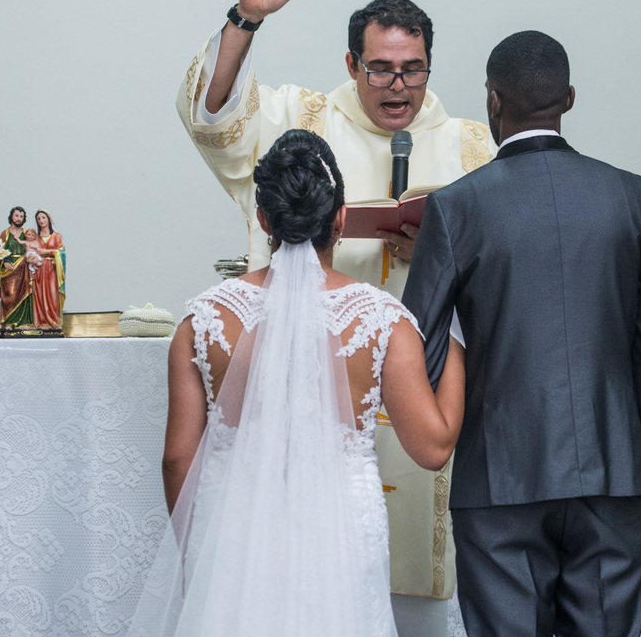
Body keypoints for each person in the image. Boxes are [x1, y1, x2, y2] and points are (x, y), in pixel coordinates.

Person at [176, 0, 497, 630]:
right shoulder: (304, 120)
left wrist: (444, 252)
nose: (398, 86)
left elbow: (503, 265)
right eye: (380, 69)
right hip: (304, 406)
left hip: (423, 386)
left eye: (412, 69)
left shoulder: (473, 146)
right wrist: (245, 18)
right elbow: (215, 121)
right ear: (351, 64)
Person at [129, 130, 465, 637]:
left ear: (264, 219)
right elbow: (433, 447)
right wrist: (455, 336)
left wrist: (198, 551)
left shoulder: (201, 321)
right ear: (340, 219)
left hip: (231, 531)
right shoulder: (384, 321)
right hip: (341, 533)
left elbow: (177, 460)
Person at [402, 31, 641, 637]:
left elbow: (417, 348)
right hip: (614, 476)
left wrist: (474, 399)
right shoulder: (632, 196)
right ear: (569, 98)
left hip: (499, 475)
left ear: (493, 100)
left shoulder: (456, 207)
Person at [0, 206, 35, 331]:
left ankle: (24, 322)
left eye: (21, 216)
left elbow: (33, 247)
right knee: (10, 294)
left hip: (24, 267)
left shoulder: (26, 233)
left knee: (25, 293)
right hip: (10, 268)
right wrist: (5, 262)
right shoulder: (5, 233)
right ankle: (8, 322)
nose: (19, 218)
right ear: (11, 217)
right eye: (17, 216)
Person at [28, 209, 65, 329]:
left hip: (51, 268)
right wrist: (31, 258)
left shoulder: (56, 236)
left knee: (53, 293)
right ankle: (41, 321)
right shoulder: (35, 237)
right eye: (38, 219)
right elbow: (29, 251)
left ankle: (54, 320)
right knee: (39, 294)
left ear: (48, 219)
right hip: (39, 268)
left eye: (43, 218)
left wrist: (47, 252)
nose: (41, 221)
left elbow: (61, 252)